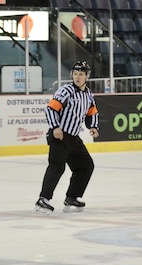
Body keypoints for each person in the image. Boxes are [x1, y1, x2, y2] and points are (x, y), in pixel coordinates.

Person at [34, 60, 100, 214]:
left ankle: (72, 197)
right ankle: (43, 199)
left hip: (74, 138)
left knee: (86, 166)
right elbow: (51, 109)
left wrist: (93, 127)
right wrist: (55, 127)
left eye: (81, 74)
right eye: (75, 74)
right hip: (60, 136)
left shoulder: (88, 95)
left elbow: (92, 112)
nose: (77, 77)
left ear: (87, 77)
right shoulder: (65, 91)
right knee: (57, 166)